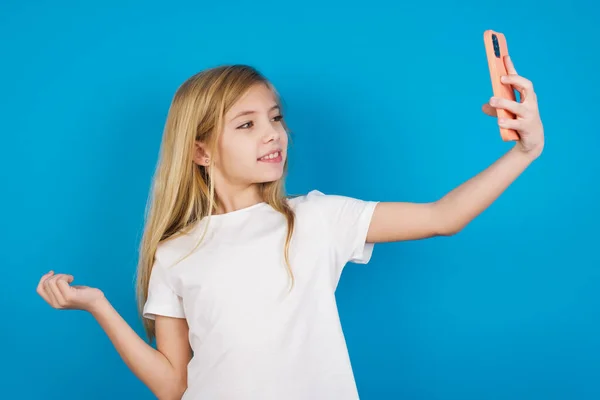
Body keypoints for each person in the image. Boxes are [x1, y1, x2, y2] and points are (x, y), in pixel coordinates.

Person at [36, 55, 544, 400]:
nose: (272, 133)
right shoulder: (175, 253)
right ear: (200, 151)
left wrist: (525, 151)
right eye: (246, 123)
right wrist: (98, 306)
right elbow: (173, 386)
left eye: (275, 118)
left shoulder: (317, 218)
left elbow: (442, 217)